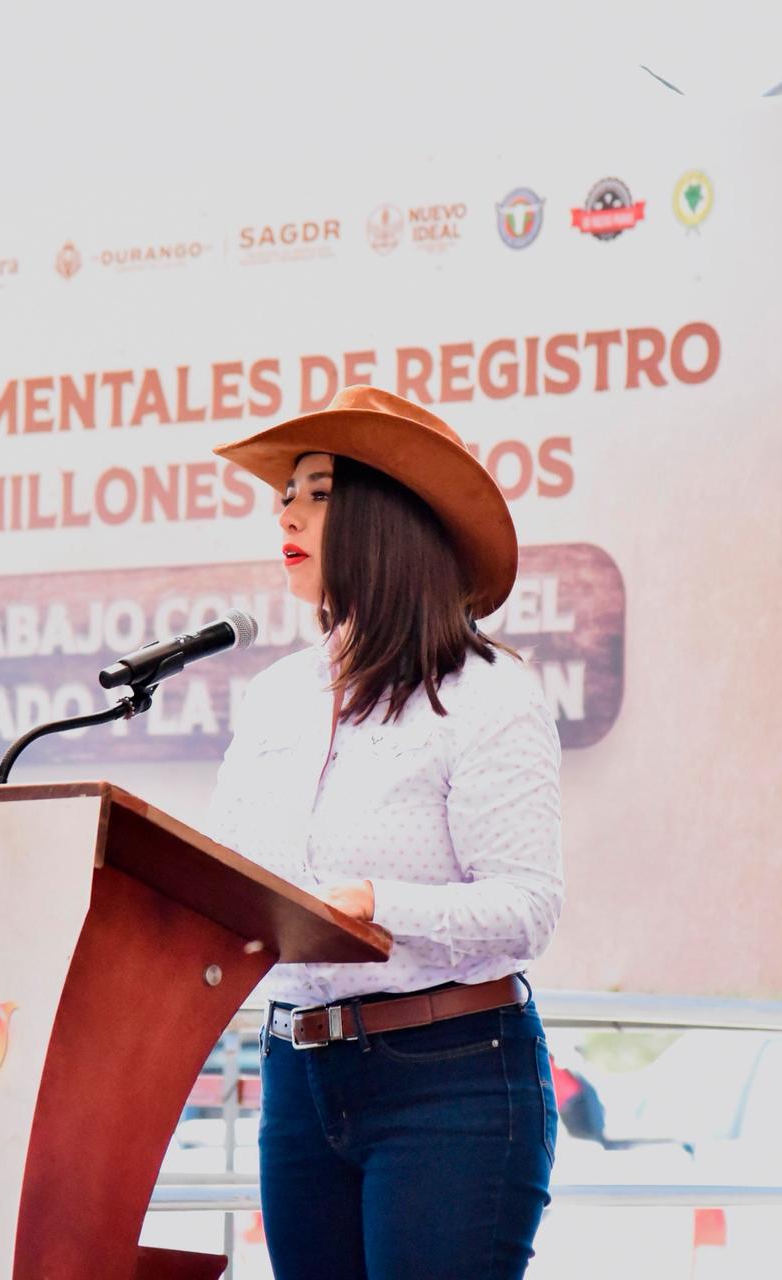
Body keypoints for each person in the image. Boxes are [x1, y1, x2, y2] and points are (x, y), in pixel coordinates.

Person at [204, 385, 564, 1280]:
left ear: (386, 517)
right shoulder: (275, 695)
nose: (285, 513)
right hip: (296, 1076)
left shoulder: (485, 692)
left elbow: (528, 909)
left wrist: (377, 905)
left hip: (451, 1077)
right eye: (285, 493)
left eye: (318, 492)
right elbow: (229, 872)